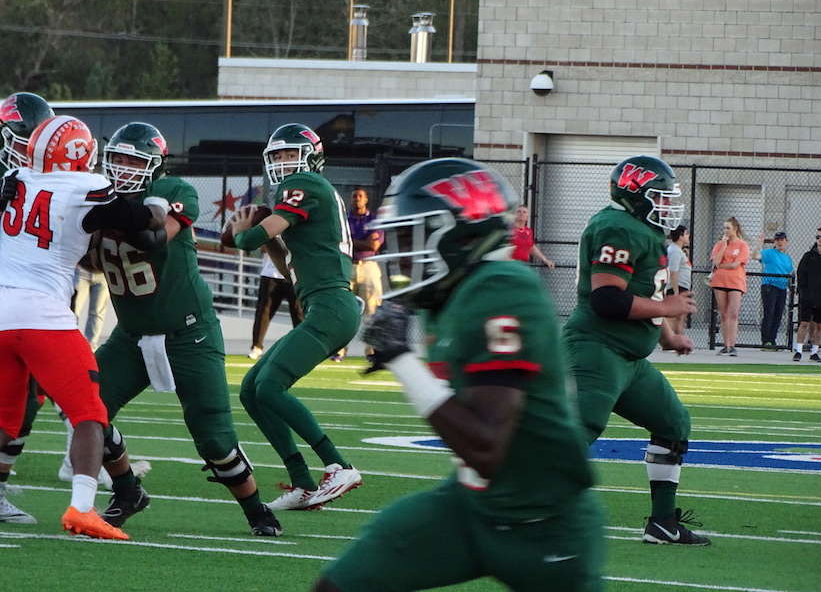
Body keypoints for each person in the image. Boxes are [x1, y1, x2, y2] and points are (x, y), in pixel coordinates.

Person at [312, 157, 605, 592]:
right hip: (471, 508)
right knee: (339, 585)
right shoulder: (445, 297)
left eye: (412, 234)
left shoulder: (501, 286)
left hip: (546, 523)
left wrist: (400, 359)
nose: (399, 251)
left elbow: (487, 446)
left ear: (463, 234)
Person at [93, 122, 282, 537]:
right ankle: (127, 490)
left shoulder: (175, 191)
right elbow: (91, 262)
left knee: (214, 438)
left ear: (154, 166)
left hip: (189, 334)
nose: (122, 167)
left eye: (133, 160)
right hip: (130, 337)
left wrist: (106, 216)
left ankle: (255, 509)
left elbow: (154, 238)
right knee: (88, 407)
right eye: (118, 159)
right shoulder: (93, 194)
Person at [0, 114, 169, 539]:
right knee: (90, 412)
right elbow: (141, 220)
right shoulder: (85, 187)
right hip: (44, 317)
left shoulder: (15, 177)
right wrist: (160, 209)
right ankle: (82, 508)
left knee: (5, 419)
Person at [560, 155, 710, 546]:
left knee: (673, 423)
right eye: (659, 197)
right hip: (596, 350)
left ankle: (662, 522)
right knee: (573, 435)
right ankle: (523, 518)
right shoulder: (617, 227)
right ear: (635, 195)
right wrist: (668, 309)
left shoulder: (640, 229)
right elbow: (607, 300)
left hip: (628, 358)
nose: (666, 206)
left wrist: (666, 337)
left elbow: (642, 293)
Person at [230, 123, 362, 511]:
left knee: (270, 385)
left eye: (291, 154)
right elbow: (289, 269)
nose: (285, 163)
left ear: (310, 156)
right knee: (252, 389)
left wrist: (242, 233)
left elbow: (248, 239)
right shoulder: (311, 197)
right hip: (323, 303)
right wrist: (267, 238)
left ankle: (338, 464)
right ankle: (303, 483)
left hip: (332, 305)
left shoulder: (308, 183)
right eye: (279, 156)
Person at [0, 91, 55, 525]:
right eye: (23, 140)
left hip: (21, 306)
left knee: (25, 401)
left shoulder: (37, 182)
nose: (28, 150)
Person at [332, 187, 382, 362]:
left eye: (360, 196)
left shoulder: (374, 220)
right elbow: (339, 242)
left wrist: (353, 242)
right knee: (344, 310)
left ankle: (371, 351)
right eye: (354, 196)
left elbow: (373, 246)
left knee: (372, 311)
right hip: (347, 266)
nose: (357, 199)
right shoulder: (344, 220)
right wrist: (363, 242)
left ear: (366, 199)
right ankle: (339, 350)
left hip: (368, 266)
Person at [792, 226, 821, 363]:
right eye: (818, 237)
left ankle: (814, 351)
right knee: (804, 323)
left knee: (819, 325)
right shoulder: (809, 257)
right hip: (808, 296)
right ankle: (799, 350)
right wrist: (804, 292)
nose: (820, 240)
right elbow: (801, 274)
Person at [249, 251, 304, 359]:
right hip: (271, 274)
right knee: (264, 311)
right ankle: (256, 347)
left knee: (299, 313)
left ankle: (302, 348)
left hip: (294, 274)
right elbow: (263, 248)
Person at [710, 216, 749, 356]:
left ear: (735, 229)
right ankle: (725, 344)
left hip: (736, 281)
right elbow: (715, 261)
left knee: (733, 312)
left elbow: (735, 264)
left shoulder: (742, 245)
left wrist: (721, 265)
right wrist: (724, 246)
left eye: (728, 228)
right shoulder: (720, 244)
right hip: (720, 281)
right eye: (724, 228)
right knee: (724, 313)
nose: (725, 230)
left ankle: (732, 345)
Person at [752, 231, 794, 350]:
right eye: (778, 240)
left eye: (782, 240)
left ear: (786, 241)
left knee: (778, 314)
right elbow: (755, 256)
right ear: (775, 242)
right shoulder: (769, 253)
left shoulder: (787, 258)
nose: (780, 242)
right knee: (769, 312)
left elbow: (789, 272)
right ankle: (765, 341)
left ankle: (772, 339)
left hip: (782, 287)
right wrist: (758, 244)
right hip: (770, 285)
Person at [72, 255, 110, 350]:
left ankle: (90, 349)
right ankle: (71, 346)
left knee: (97, 313)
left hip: (103, 274)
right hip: (82, 271)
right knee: (73, 312)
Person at [511, 204, 555, 269]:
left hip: (523, 265)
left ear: (527, 217)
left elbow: (531, 247)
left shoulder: (528, 231)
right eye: (519, 211)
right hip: (511, 264)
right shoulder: (510, 230)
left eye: (524, 212)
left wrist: (545, 260)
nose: (521, 214)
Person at [666, 225, 691, 334]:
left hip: (683, 286)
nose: (688, 236)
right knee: (673, 315)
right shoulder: (675, 251)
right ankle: (670, 340)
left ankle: (678, 340)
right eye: (686, 234)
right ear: (680, 237)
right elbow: (673, 272)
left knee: (681, 317)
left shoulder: (679, 251)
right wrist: (676, 291)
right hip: (677, 287)